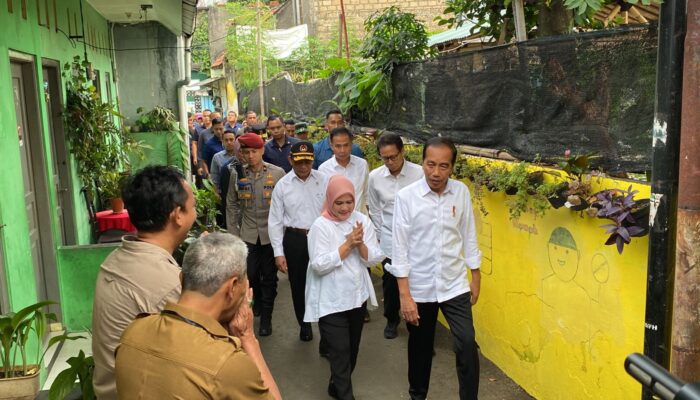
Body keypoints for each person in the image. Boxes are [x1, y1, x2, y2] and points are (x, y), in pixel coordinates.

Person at [115, 232, 282, 400]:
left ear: (181, 278)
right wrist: (248, 338)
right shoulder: (227, 364)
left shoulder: (133, 331)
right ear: (232, 287)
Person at [388, 137, 482, 400]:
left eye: (443, 166)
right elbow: (400, 249)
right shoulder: (406, 198)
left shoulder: (461, 192)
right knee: (420, 348)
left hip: (454, 284)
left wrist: (475, 275)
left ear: (452, 167)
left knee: (466, 342)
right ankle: (417, 396)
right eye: (431, 164)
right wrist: (405, 296)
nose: (436, 173)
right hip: (420, 287)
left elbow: (469, 234)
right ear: (422, 163)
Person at [92, 166, 197, 400]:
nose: (196, 212)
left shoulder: (116, 259)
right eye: (193, 206)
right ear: (177, 214)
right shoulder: (167, 286)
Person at [304, 175, 384, 400]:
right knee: (339, 351)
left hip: (356, 298)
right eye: (339, 202)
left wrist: (360, 246)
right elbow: (319, 265)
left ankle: (336, 384)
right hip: (330, 300)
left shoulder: (361, 220)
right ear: (330, 200)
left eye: (349, 202)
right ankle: (345, 394)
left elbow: (375, 257)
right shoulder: (320, 226)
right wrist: (347, 245)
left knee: (352, 351)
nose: (345, 208)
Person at [226, 133, 286, 336]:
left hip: (271, 235)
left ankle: (266, 318)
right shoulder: (237, 173)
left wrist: (283, 236)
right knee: (250, 275)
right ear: (241, 153)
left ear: (262, 151)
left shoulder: (277, 173)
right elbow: (232, 204)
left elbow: (286, 205)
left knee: (269, 278)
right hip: (248, 234)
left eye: (254, 151)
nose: (250, 156)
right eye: (246, 152)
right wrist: (233, 235)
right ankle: (257, 299)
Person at [268, 141, 328, 342]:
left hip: (320, 238)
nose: (303, 167)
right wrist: (278, 252)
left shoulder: (324, 181)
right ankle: (304, 324)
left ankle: (327, 327)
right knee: (299, 284)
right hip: (295, 239)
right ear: (290, 160)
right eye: (299, 162)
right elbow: (275, 221)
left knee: (325, 282)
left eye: (307, 162)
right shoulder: (283, 186)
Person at [367, 133, 423, 339]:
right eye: (385, 158)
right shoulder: (375, 177)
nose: (390, 162)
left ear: (402, 152)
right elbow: (374, 208)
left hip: (416, 237)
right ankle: (391, 318)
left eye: (393, 157)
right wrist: (381, 237)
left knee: (416, 281)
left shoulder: (419, 174)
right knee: (391, 282)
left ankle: (417, 327)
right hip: (390, 237)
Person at [319, 127, 369, 213]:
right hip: (336, 222)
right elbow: (323, 199)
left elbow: (367, 193)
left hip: (359, 220)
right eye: (338, 146)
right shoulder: (324, 169)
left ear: (351, 144)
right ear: (331, 146)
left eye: (346, 145)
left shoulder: (362, 164)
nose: (342, 150)